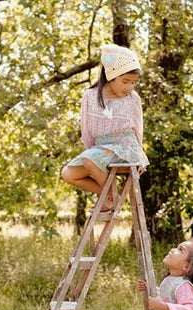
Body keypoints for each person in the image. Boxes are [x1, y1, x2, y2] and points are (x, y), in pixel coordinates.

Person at [61, 44, 149, 212]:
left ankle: (109, 201)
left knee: (90, 159)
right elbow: (86, 129)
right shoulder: (90, 96)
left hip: (125, 146)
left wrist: (139, 155)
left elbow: (138, 127)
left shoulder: (133, 99)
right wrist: (91, 153)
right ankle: (111, 196)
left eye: (133, 83)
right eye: (125, 81)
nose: (129, 87)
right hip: (100, 148)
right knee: (68, 174)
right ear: (111, 76)